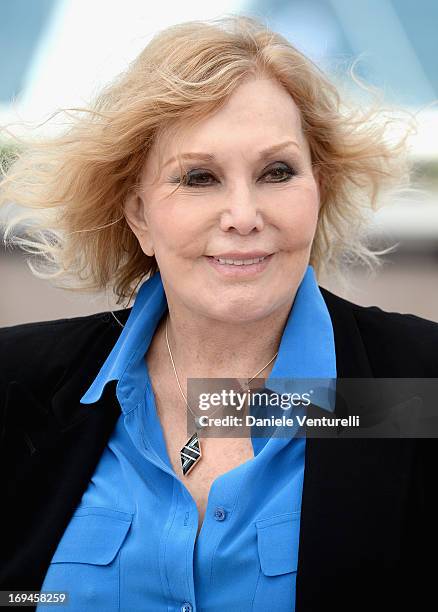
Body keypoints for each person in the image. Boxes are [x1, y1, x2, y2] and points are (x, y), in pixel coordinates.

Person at [1, 14, 437, 612]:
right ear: (137, 214)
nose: (242, 215)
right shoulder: (15, 381)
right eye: (199, 178)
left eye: (277, 172)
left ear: (319, 188)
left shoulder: (416, 387)